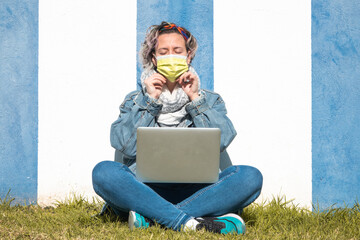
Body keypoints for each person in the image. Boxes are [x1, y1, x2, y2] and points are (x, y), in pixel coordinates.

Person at [92, 21, 263, 235]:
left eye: (177, 51)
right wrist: (150, 101)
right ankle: (194, 221)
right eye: (163, 52)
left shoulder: (209, 99)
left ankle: (154, 218)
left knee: (250, 177)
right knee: (104, 172)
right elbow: (124, 144)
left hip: (198, 190)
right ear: (153, 58)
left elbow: (222, 140)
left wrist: (195, 99)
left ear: (188, 55)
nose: (171, 56)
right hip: (145, 188)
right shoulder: (135, 99)